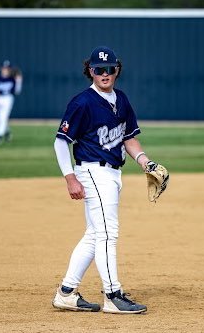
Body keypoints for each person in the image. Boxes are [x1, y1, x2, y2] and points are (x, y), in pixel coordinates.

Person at [52, 46, 157, 314]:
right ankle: (113, 294)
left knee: (94, 235)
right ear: (90, 71)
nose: (105, 74)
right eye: (99, 70)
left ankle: (66, 292)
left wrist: (146, 162)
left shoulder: (121, 100)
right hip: (92, 172)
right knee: (109, 233)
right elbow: (61, 142)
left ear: (117, 70)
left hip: (113, 173)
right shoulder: (82, 102)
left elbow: (128, 137)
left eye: (110, 69)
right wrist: (70, 177)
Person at [0, 60, 23, 144]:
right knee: (0, 119)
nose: (6, 70)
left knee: (4, 117)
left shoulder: (12, 79)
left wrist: (19, 81)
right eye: (4, 68)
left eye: (7, 68)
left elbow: (17, 91)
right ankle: (7, 133)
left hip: (8, 98)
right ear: (1, 68)